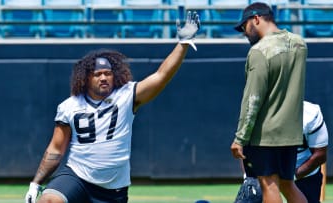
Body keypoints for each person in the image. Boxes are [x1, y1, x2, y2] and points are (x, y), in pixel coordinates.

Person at [24, 11, 200, 203]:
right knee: (49, 201)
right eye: (98, 74)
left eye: (107, 73)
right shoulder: (69, 106)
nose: (103, 78)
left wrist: (183, 44)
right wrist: (36, 183)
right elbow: (56, 149)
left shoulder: (126, 96)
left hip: (112, 188)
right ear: (86, 78)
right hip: (76, 178)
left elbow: (160, 76)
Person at [230, 2, 308, 203]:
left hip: (266, 135)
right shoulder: (299, 44)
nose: (244, 33)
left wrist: (240, 138)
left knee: (269, 185)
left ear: (256, 19)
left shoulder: (259, 51)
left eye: (244, 27)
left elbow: (252, 99)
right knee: (288, 185)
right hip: (291, 134)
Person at [234, 100, 329, 203]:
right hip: (266, 168)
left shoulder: (310, 114)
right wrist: (248, 177)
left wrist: (291, 177)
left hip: (303, 172)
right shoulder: (258, 112)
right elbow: (245, 148)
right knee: (254, 189)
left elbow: (320, 155)